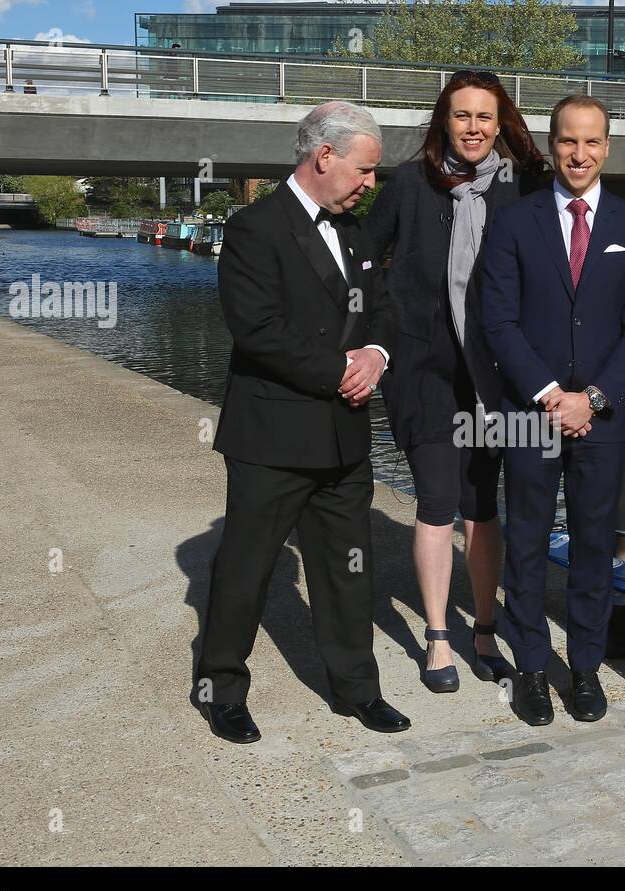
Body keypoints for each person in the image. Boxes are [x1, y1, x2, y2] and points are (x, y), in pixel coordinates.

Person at [194, 101, 411, 740]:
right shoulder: (254, 228)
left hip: (343, 434)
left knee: (349, 567)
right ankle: (221, 688)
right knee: (247, 568)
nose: (372, 184)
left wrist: (376, 353)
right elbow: (257, 330)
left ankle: (356, 690)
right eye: (365, 171)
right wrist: (338, 370)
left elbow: (384, 311)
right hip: (273, 437)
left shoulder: (358, 231)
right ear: (325, 157)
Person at [362, 71, 548, 694]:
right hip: (424, 372)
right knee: (437, 500)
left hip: (493, 375)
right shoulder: (411, 184)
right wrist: (383, 335)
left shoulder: (521, 190)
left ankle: (486, 627)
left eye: (485, 118)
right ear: (444, 120)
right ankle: (439, 635)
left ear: (501, 125)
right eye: (462, 116)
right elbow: (365, 259)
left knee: (482, 505)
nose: (474, 128)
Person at [480, 95, 625, 726]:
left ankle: (584, 666)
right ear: (551, 144)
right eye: (566, 142)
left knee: (592, 545)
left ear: (607, 146)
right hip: (532, 410)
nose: (578, 155)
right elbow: (497, 321)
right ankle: (531, 663)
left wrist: (596, 398)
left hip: (604, 418)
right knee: (526, 542)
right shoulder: (514, 222)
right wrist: (552, 396)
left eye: (591, 142)